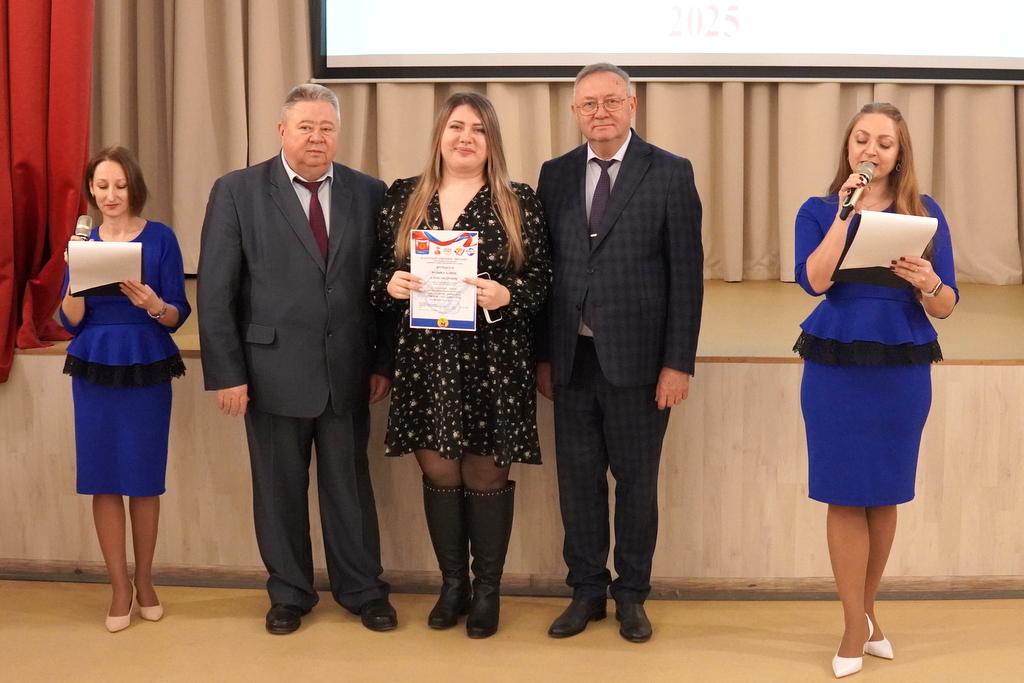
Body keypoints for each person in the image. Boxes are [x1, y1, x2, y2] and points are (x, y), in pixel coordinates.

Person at [197, 84, 396, 635]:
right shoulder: (237, 191)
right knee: (278, 491)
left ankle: (363, 590)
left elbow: (383, 286)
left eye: (326, 128)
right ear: (282, 131)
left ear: (339, 134)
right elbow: (215, 292)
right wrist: (228, 373)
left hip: (348, 371)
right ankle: (288, 593)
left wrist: (383, 362)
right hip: (269, 373)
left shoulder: (369, 192)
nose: (316, 137)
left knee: (350, 491)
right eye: (305, 127)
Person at [371, 92, 551, 639]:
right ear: (440, 135)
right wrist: (389, 285)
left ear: (492, 141)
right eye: (456, 126)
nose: (466, 137)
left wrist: (508, 295)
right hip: (426, 362)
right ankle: (453, 585)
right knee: (440, 472)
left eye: (478, 128)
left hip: (494, 362)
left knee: (486, 473)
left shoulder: (518, 201)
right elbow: (374, 275)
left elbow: (543, 280)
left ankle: (487, 590)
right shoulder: (404, 197)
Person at [536, 63, 704, 643]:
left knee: (636, 485)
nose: (600, 111)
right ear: (575, 112)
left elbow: (687, 277)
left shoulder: (670, 172)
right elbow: (546, 271)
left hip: (640, 363)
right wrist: (543, 357)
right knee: (578, 485)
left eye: (611, 100)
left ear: (632, 106)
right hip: (571, 360)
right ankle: (586, 590)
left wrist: (677, 363)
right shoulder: (555, 174)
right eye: (589, 103)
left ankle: (631, 594)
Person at [793, 102, 958, 678]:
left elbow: (947, 305)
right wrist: (847, 213)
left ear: (900, 153)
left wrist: (928, 281)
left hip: (902, 362)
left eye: (884, 143)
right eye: (861, 139)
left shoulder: (925, 214)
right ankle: (851, 626)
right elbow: (814, 281)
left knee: (884, 493)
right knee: (844, 494)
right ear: (848, 147)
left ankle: (866, 614)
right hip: (836, 362)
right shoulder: (819, 209)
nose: (871, 150)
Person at [60, 146, 191, 632]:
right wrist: (75, 279)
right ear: (91, 191)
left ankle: (146, 581)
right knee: (103, 477)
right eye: (101, 186)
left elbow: (177, 314)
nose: (111, 194)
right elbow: (69, 321)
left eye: (119, 185)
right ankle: (118, 588)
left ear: (134, 187)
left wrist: (154, 303)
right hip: (94, 361)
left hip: (147, 359)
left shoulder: (160, 238)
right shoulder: (82, 241)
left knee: (143, 478)